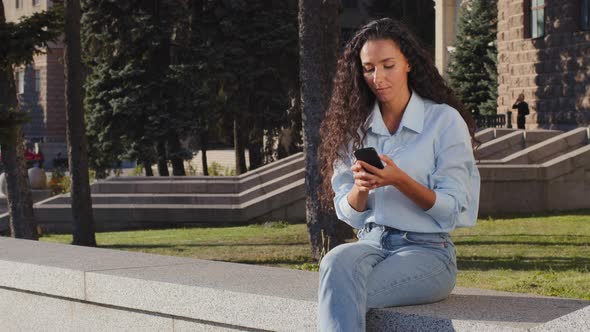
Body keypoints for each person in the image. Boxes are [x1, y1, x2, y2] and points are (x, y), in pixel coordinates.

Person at [317, 18, 481, 331]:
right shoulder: (355, 128)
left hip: (427, 253)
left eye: (387, 65)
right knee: (335, 262)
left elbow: (452, 210)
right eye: (368, 68)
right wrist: (361, 188)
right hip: (371, 244)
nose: (377, 77)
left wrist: (399, 180)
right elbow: (347, 212)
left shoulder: (444, 121)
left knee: (340, 294)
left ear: (408, 62)